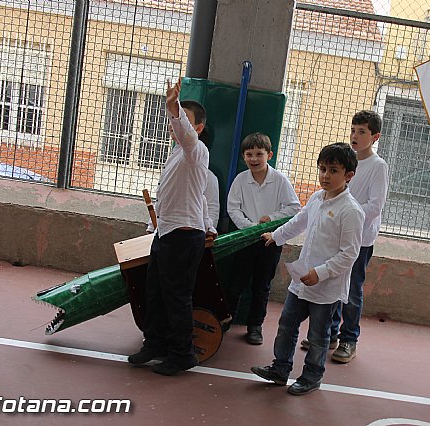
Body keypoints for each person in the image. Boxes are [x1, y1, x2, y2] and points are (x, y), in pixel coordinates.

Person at [251, 142, 364, 396]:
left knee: (318, 335)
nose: (325, 175)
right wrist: (276, 236)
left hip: (326, 287)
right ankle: (280, 369)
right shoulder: (316, 198)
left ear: (348, 176)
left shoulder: (351, 211)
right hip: (301, 280)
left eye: (333, 170)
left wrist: (320, 273)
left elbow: (349, 254)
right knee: (286, 326)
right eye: (322, 169)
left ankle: (312, 376)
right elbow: (298, 222)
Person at [127, 78, 209, 376]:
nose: (177, 126)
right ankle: (155, 343)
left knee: (176, 296)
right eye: (175, 120)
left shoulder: (196, 150)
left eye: (186, 122)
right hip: (166, 233)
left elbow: (185, 135)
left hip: (184, 236)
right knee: (155, 292)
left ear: (198, 128)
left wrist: (173, 106)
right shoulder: (176, 154)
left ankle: (182, 353)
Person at [300, 110, 389, 364]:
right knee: (333, 285)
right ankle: (329, 334)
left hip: (360, 238)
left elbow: (376, 206)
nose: (355, 136)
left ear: (375, 136)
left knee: (352, 289)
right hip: (334, 235)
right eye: (353, 130)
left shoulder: (378, 166)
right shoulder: (345, 160)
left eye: (362, 132)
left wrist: (348, 214)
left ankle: (349, 338)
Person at [226, 132, 301, 344]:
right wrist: (250, 228)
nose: (254, 159)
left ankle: (255, 326)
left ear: (269, 154)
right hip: (245, 240)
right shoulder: (240, 180)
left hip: (270, 241)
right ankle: (226, 320)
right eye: (249, 154)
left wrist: (272, 220)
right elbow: (233, 208)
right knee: (236, 283)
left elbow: (294, 207)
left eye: (259, 154)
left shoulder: (280, 180)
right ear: (243, 157)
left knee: (262, 286)